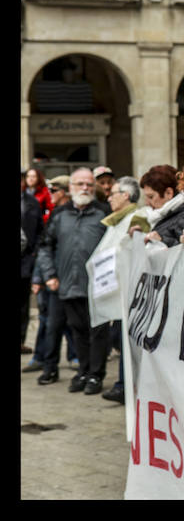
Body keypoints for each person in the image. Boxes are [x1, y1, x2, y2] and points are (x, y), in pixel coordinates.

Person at [35, 167, 111, 394]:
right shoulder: (60, 215)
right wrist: (50, 275)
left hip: (98, 285)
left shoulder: (104, 213)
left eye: (89, 184)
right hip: (67, 283)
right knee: (77, 330)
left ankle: (96, 376)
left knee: (98, 332)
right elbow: (45, 247)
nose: (85, 188)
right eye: (80, 184)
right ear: (71, 188)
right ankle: (84, 372)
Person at [96, 176, 150, 404]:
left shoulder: (136, 218)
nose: (109, 197)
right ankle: (123, 384)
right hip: (118, 288)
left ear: (125, 196)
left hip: (130, 291)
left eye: (114, 193)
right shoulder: (116, 219)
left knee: (124, 338)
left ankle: (125, 385)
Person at [30, 175, 80, 384]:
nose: (50, 195)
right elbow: (45, 247)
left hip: (77, 282)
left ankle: (80, 363)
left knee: (76, 325)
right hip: (56, 281)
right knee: (51, 325)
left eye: (54, 191)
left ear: (64, 192)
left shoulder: (88, 212)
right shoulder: (56, 214)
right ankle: (49, 365)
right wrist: (44, 276)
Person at [131, 164, 184, 247]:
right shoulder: (166, 214)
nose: (147, 203)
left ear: (168, 193)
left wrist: (162, 240)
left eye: (151, 197)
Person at [21, 171, 44, 356]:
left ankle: (21, 341)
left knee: (23, 304)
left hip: (26, 261)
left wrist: (35, 252)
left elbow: (39, 231)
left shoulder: (32, 202)